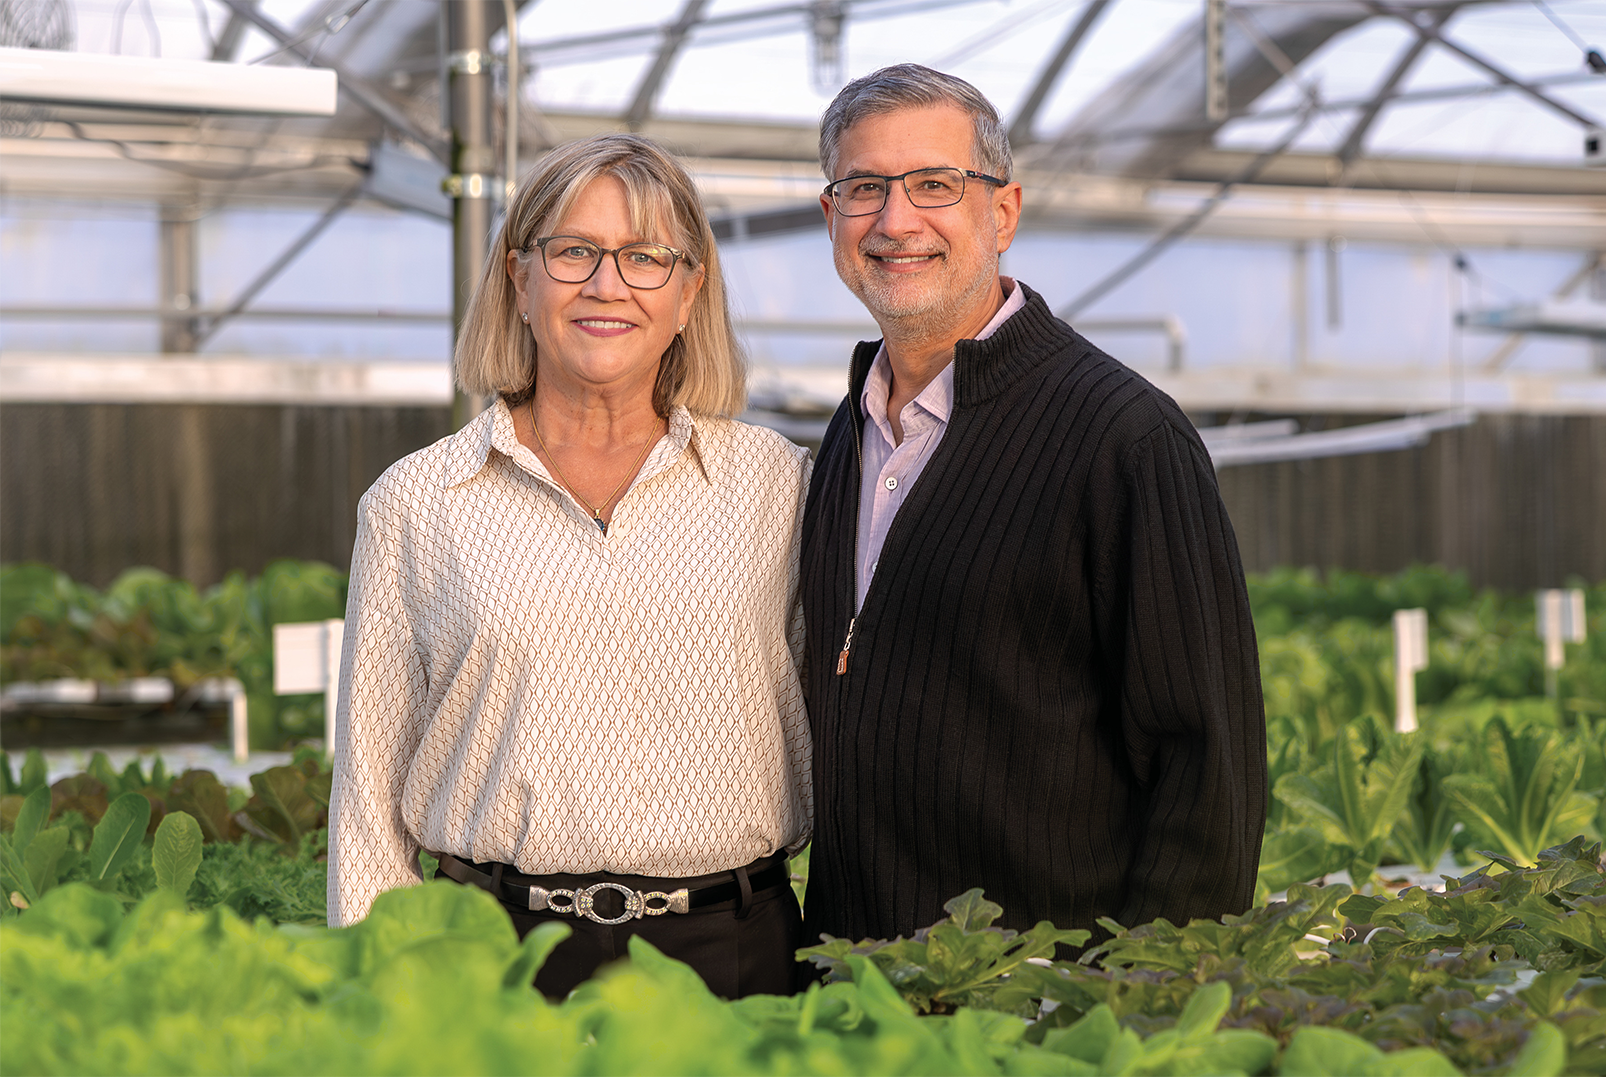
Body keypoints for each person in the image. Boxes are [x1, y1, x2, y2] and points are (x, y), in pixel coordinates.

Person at [328, 133, 813, 1001]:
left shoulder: (781, 486)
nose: (606, 283)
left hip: (735, 959)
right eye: (573, 251)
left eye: (645, 257)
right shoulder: (416, 501)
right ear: (519, 280)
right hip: (493, 957)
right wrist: (379, 998)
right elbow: (368, 803)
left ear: (691, 290)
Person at [798, 64, 1267, 950]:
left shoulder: (1123, 438)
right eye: (865, 189)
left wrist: (1131, 1009)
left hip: (1042, 1003)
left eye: (935, 184)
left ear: (1002, 212)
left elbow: (1208, 769)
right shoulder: (851, 433)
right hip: (859, 1001)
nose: (896, 221)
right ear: (833, 218)